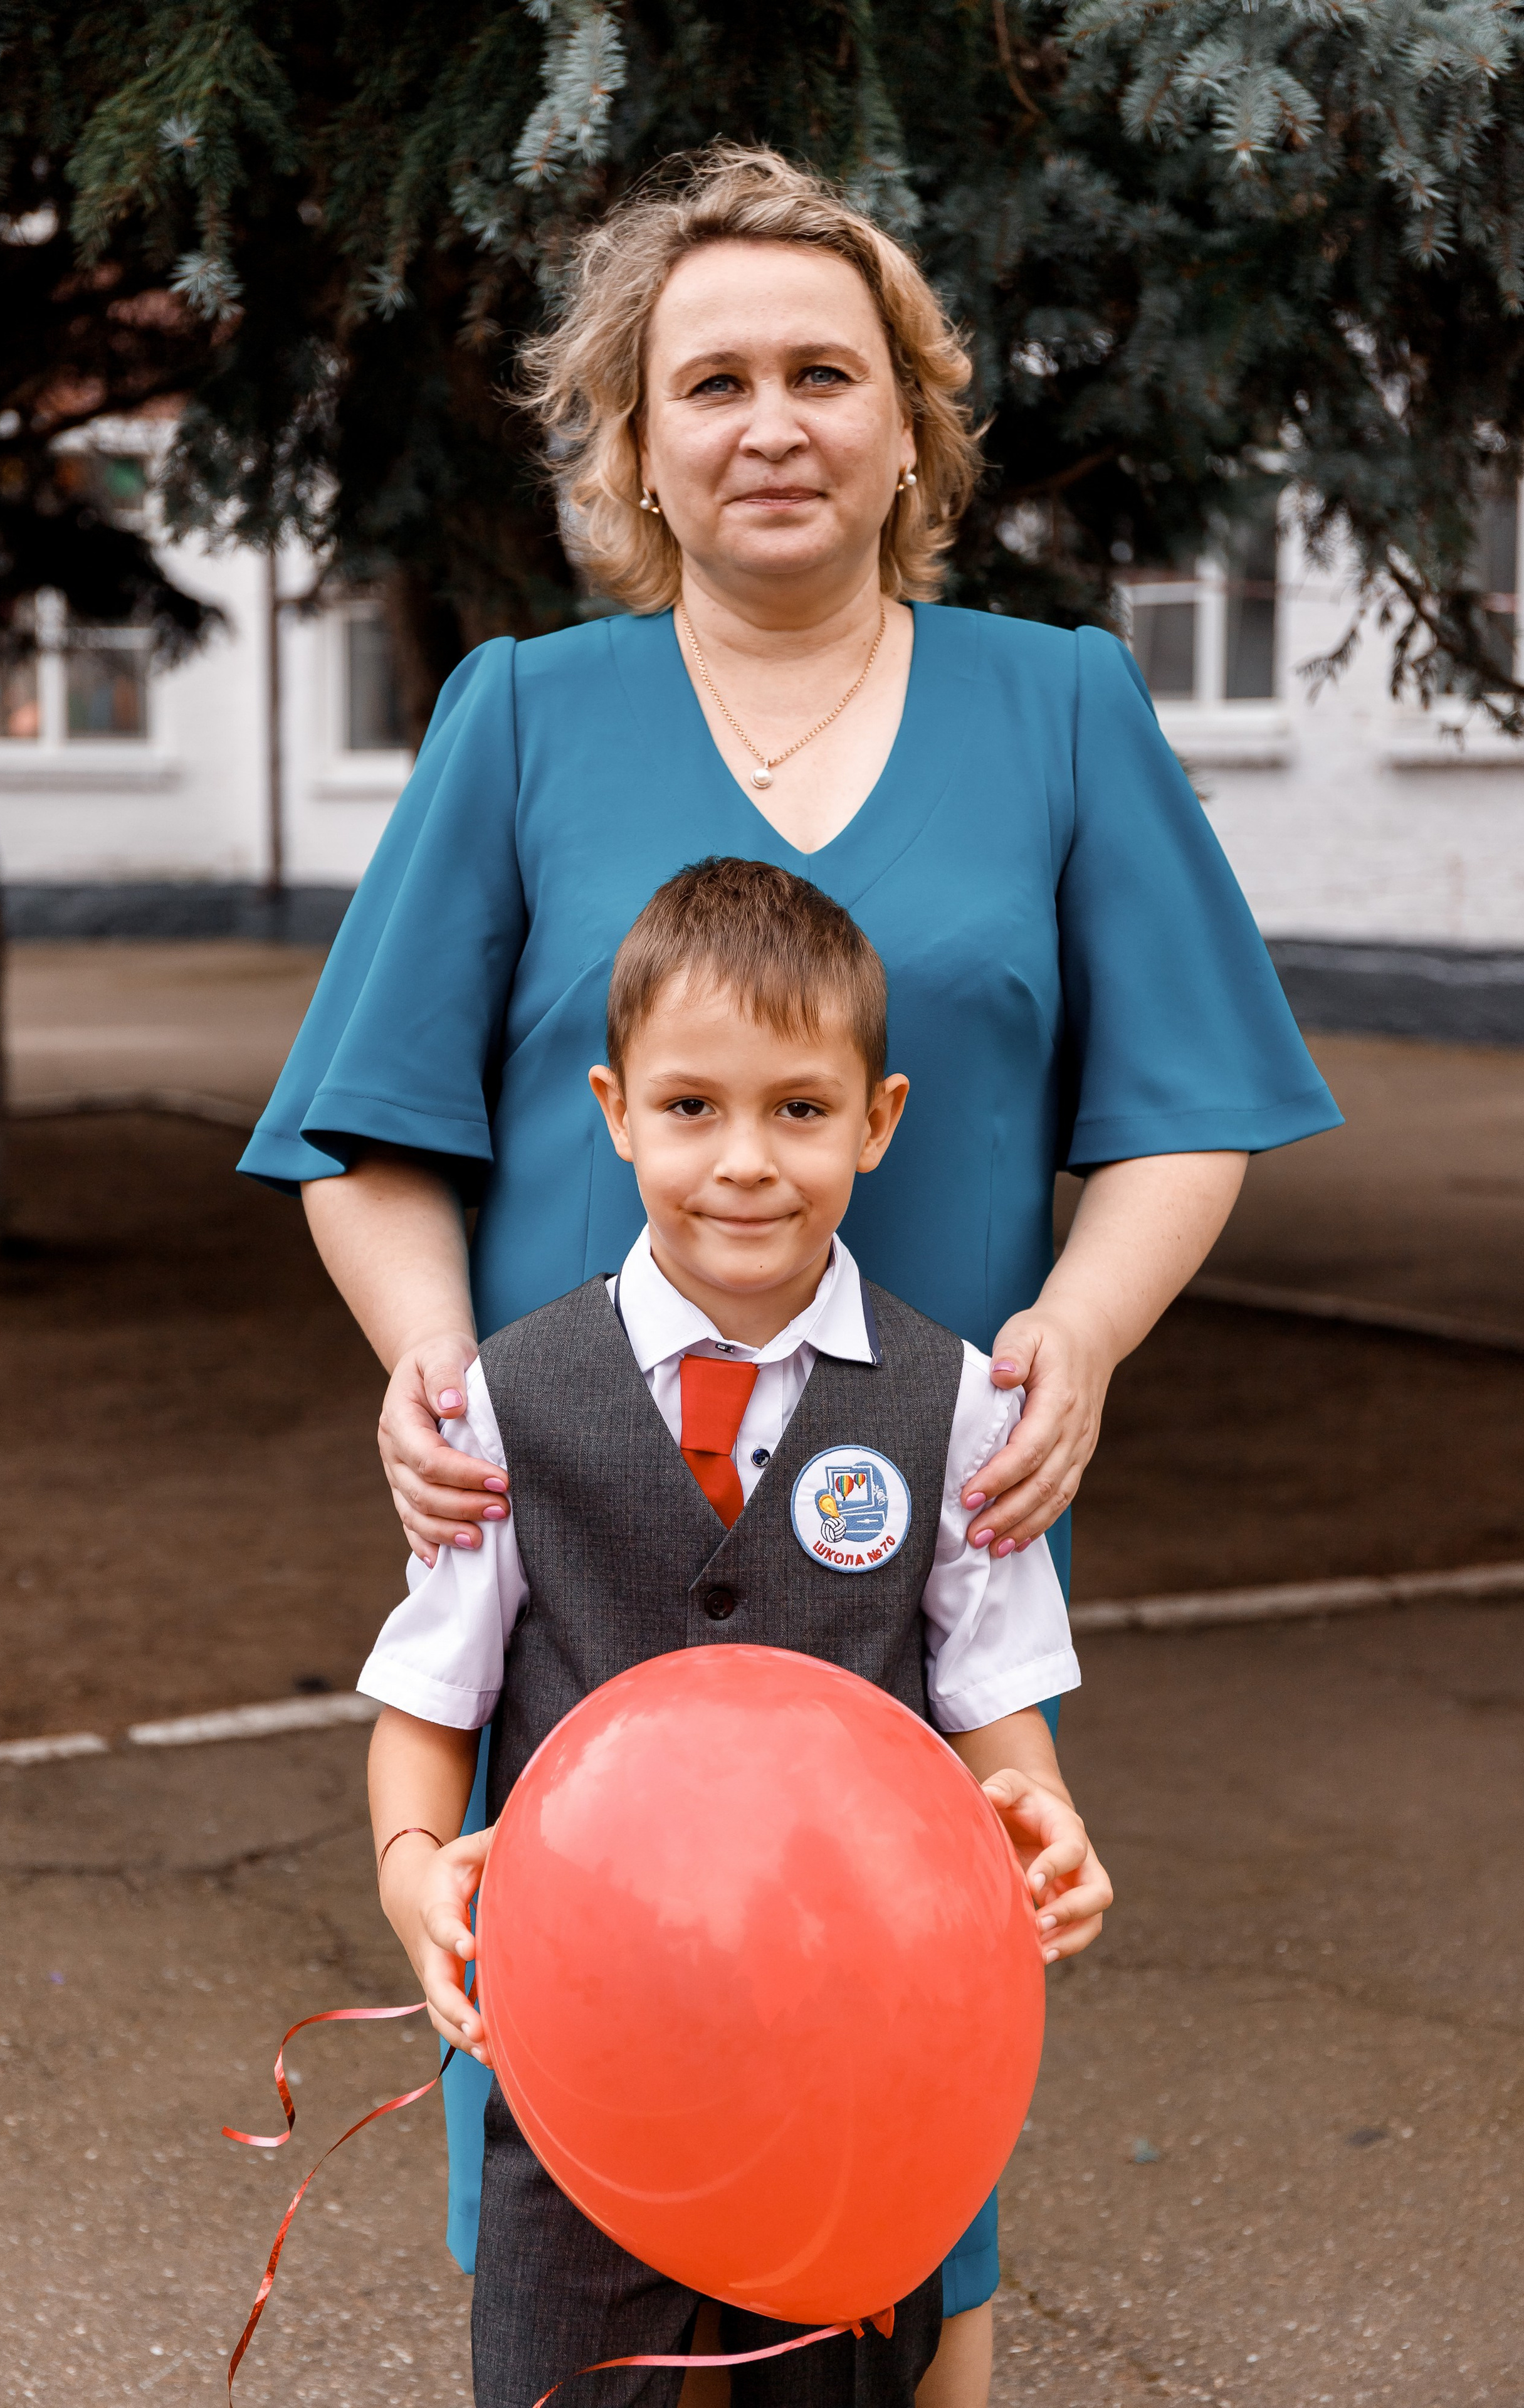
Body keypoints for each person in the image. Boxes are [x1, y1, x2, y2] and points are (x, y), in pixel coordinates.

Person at [239, 142, 1339, 2402]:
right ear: (634, 444)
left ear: (911, 422)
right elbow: (367, 1135)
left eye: (825, 371)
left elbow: (1190, 1103)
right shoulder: (525, 718)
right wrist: (443, 1384)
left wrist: (1092, 1342)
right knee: (587, 2161)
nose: (771, 422)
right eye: (710, 379)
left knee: (907, 2172)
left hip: (906, 1532)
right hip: (593, 1569)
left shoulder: (1059, 709)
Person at [361, 860, 1113, 2408]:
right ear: (614, 1109)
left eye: (799, 1110)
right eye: (691, 1108)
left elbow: (991, 1701)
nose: (745, 1164)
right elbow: (429, 1704)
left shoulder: (954, 1404)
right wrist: (412, 1875)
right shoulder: (497, 1403)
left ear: (879, 1120)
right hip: (584, 2055)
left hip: (856, 2064)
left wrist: (1033, 1819)